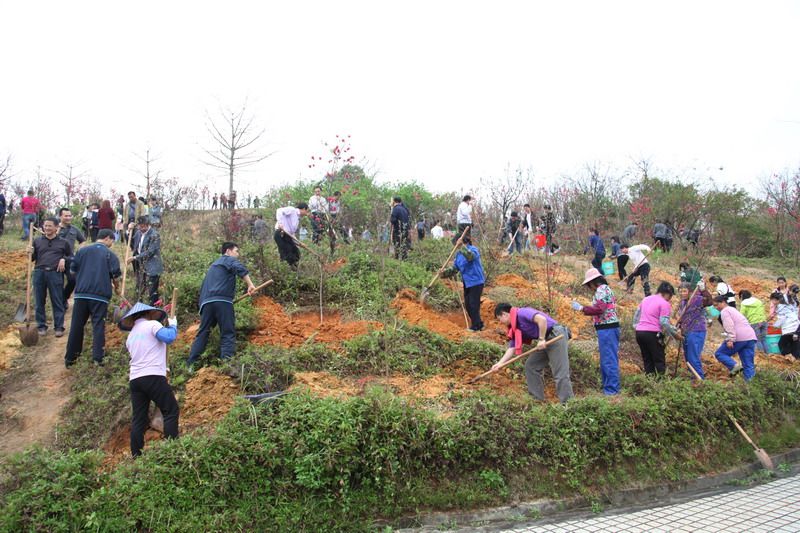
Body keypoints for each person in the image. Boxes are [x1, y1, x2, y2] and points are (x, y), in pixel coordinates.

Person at [118, 302, 179, 457]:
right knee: (171, 410)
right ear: (149, 314)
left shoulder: (131, 336)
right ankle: (173, 451)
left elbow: (147, 352)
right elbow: (169, 337)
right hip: (152, 376)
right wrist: (173, 325)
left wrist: (163, 367)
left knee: (139, 418)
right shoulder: (152, 325)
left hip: (135, 380)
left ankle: (136, 455)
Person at [187, 242, 257, 367]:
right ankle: (227, 365)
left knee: (203, 333)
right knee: (227, 332)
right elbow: (239, 268)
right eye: (236, 251)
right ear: (228, 251)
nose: (237, 254)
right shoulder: (227, 259)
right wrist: (250, 285)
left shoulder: (213, 266)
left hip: (206, 303)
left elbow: (203, 288)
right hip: (223, 301)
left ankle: (191, 365)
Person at [492, 303, 573, 403]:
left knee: (560, 372)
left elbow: (541, 320)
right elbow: (511, 348)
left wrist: (541, 339)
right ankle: (537, 400)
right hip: (545, 340)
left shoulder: (522, 312)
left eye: (499, 318)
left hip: (555, 335)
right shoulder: (515, 327)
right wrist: (500, 363)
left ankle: (568, 405)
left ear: (504, 314)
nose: (500, 322)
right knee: (531, 366)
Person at [65, 229, 122, 367]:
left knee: (77, 325)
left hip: (81, 294)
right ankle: (98, 358)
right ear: (108, 238)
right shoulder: (110, 255)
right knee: (98, 325)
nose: (112, 244)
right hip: (100, 296)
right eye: (112, 241)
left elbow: (72, 271)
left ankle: (71, 358)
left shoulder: (82, 251)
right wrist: (117, 287)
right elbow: (116, 276)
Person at [571, 268, 620, 395]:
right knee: (606, 358)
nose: (589, 288)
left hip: (608, 327)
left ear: (592, 282)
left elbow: (600, 309)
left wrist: (582, 308)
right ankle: (608, 388)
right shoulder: (603, 290)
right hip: (605, 328)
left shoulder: (602, 289)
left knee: (609, 359)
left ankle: (611, 391)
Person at [31, 217, 71, 337]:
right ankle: (41, 326)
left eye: (49, 226)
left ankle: (59, 327)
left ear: (56, 227)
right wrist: (29, 252)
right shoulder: (37, 241)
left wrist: (64, 259)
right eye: (45, 226)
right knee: (39, 301)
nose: (47, 228)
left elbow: (71, 256)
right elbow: (32, 258)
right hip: (39, 273)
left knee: (57, 300)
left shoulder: (63, 242)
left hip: (55, 273)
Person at [634, 281, 680, 375]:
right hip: (652, 334)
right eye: (670, 296)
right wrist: (675, 334)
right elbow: (663, 322)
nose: (670, 299)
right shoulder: (664, 303)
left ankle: (650, 382)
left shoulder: (646, 299)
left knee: (647, 360)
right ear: (667, 293)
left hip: (639, 333)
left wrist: (638, 327)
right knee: (659, 360)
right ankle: (661, 384)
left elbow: (636, 316)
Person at [440, 236, 485, 332]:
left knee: (473, 304)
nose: (455, 247)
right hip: (467, 283)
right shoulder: (458, 255)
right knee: (468, 305)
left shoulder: (473, 249)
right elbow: (455, 269)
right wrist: (443, 273)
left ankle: (476, 326)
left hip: (476, 281)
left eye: (456, 245)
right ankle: (478, 324)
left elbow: (470, 257)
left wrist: (461, 247)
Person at [712, 295, 758, 379]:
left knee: (720, 353)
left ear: (723, 302)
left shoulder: (725, 311)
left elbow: (729, 325)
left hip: (739, 337)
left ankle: (734, 366)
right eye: (714, 306)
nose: (716, 307)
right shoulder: (733, 309)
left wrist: (730, 339)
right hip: (750, 337)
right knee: (748, 364)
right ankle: (750, 386)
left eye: (717, 304)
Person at [677, 281, 713, 379]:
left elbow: (709, 301)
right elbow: (682, 317)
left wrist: (703, 290)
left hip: (696, 330)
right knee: (688, 357)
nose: (682, 293)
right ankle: (693, 377)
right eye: (680, 291)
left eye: (684, 291)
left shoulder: (696, 299)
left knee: (693, 357)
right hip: (686, 332)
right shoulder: (682, 302)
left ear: (689, 291)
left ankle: (699, 379)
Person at [129, 216, 163, 305]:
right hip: (141, 266)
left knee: (152, 291)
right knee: (139, 288)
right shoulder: (138, 233)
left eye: (144, 226)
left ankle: (153, 309)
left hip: (153, 267)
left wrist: (135, 257)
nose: (142, 228)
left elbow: (150, 252)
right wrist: (128, 231)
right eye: (140, 226)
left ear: (148, 225)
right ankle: (138, 307)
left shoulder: (154, 235)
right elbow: (131, 243)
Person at [58, 208, 87, 306]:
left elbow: (82, 241)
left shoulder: (74, 229)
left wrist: (79, 251)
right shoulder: (55, 228)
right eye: (66, 216)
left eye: (70, 216)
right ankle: (60, 303)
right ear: (60, 216)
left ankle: (64, 298)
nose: (68, 218)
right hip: (55, 259)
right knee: (58, 282)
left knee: (73, 280)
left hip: (69, 258)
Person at [274, 202, 309, 267]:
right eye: (307, 211)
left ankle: (293, 270)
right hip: (280, 234)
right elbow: (279, 211)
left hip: (287, 236)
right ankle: (285, 270)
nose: (307, 213)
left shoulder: (297, 219)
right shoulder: (292, 210)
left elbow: (291, 234)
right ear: (304, 209)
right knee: (287, 254)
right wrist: (280, 223)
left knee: (296, 253)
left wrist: (300, 244)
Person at [769, 292, 800, 360]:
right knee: (794, 344)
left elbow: (782, 319)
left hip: (789, 328)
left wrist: (775, 325)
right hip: (796, 326)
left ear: (776, 300)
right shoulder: (786, 305)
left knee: (781, 344)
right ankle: (795, 358)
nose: (771, 302)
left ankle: (789, 358)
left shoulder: (780, 307)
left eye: (772, 300)